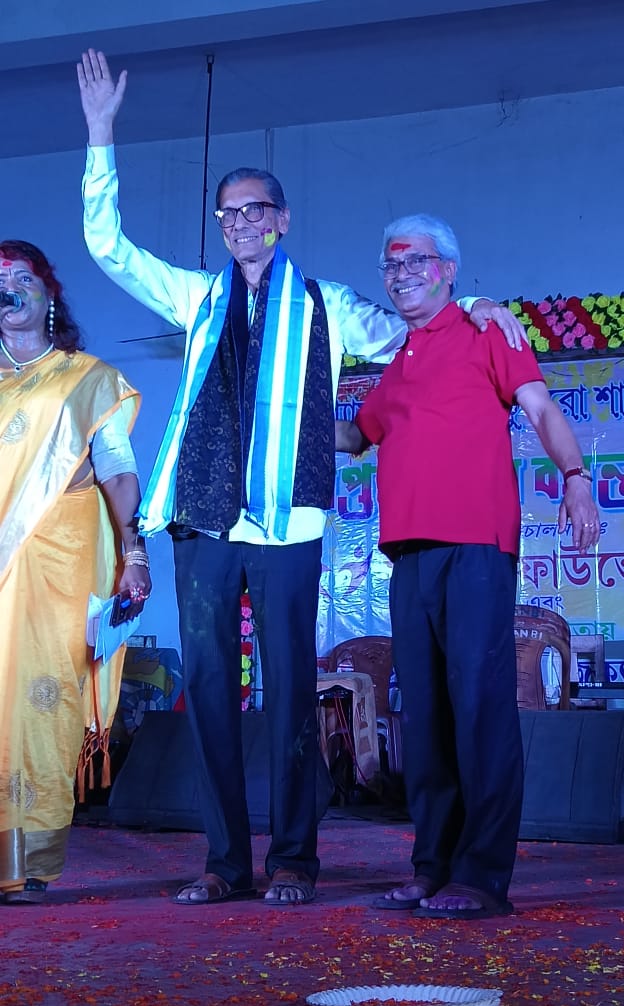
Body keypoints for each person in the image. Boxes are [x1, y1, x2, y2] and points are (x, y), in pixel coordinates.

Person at [76, 49, 525, 907]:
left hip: (287, 527)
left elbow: (416, 325)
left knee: (287, 694)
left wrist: (473, 302)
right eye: (228, 212)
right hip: (202, 522)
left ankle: (293, 859)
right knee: (210, 692)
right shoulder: (195, 297)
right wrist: (102, 134)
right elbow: (109, 248)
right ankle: (223, 862)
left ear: (281, 220)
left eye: (255, 209)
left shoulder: (329, 306)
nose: (240, 223)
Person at [335, 214, 600, 919]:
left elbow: (541, 409)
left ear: (448, 270)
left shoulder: (489, 332)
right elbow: (355, 435)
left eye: (414, 262)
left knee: (480, 707)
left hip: (477, 547)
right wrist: (276, 420)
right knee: (425, 715)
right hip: (409, 554)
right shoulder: (399, 361)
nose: (400, 275)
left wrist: (575, 477)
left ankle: (481, 875)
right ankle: (432, 866)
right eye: (391, 266)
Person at [0, 240, 150, 905]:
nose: (8, 288)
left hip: (58, 570)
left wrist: (134, 554)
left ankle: (28, 861)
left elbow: (117, 471)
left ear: (49, 294)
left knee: (41, 706)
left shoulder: (87, 379)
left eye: (21, 277)